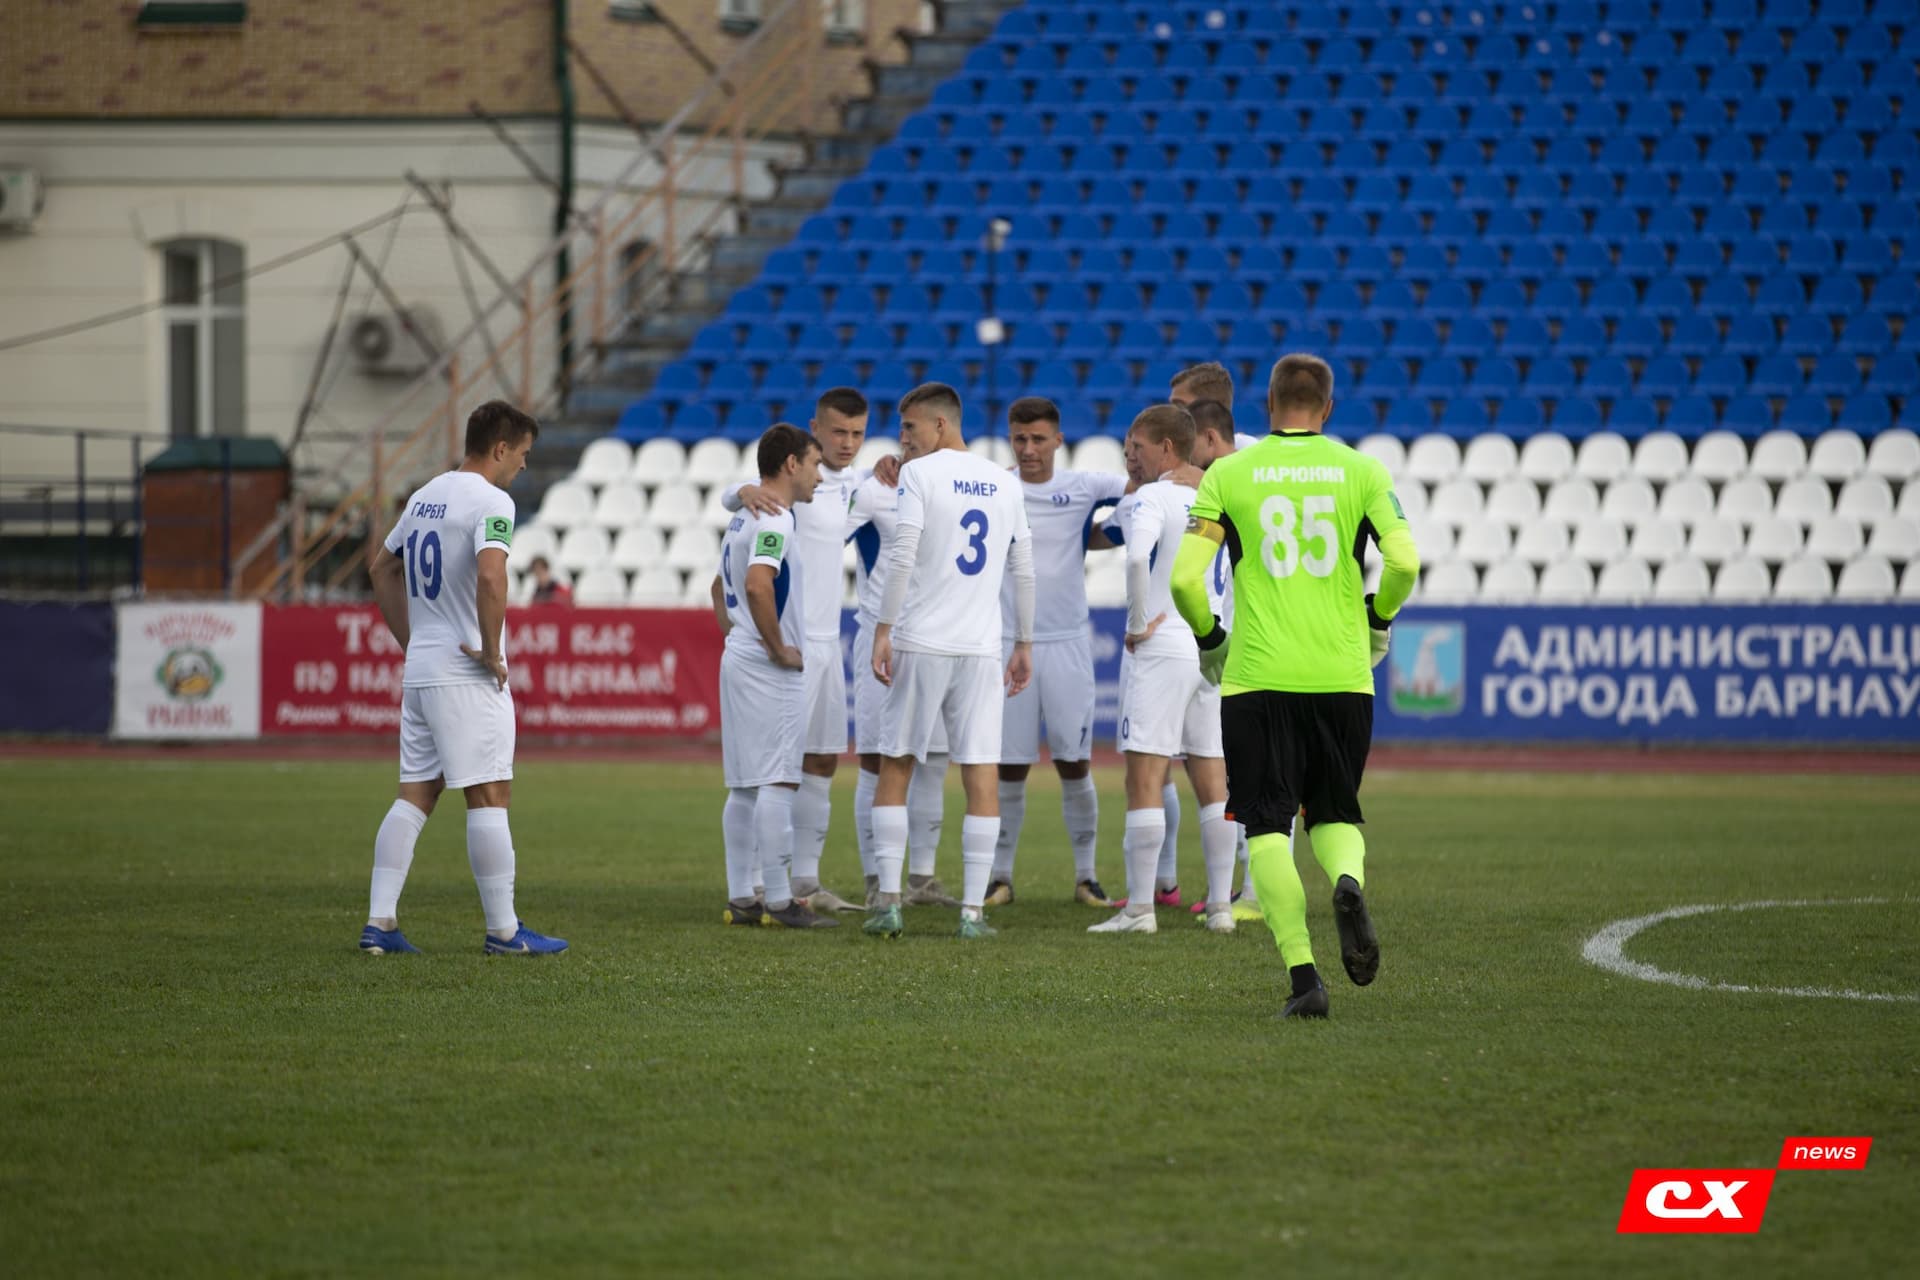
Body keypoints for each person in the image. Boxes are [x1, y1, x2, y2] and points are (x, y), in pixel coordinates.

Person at [1170, 354, 1420, 1018]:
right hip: (1342, 675)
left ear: (1267, 405)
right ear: (1328, 408)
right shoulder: (1362, 470)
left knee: (1266, 827)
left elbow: (1185, 581)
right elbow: (1404, 561)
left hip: (1258, 678)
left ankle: (1305, 980)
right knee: (1335, 812)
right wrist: (1378, 620)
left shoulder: (1229, 473)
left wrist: (1210, 638)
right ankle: (1345, 881)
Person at [359, 399, 567, 956]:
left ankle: (379, 924)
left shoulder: (425, 494)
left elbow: (381, 567)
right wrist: (492, 651)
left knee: (414, 796)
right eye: (521, 455)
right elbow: (492, 578)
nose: (523, 466)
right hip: (465, 668)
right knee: (490, 793)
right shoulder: (492, 502)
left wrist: (413, 640)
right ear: (500, 448)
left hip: (423, 668)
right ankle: (504, 931)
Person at [865, 382, 1035, 940]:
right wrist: (1024, 643)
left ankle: (888, 904)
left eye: (909, 427)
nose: (902, 438)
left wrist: (883, 628)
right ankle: (971, 914)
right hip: (981, 648)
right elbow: (1023, 569)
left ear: (940, 425)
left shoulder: (919, 475)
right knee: (980, 772)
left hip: (922, 640)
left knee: (898, 763)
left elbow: (903, 550)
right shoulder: (1003, 482)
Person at [722, 387, 875, 913]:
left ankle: (806, 881)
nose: (848, 443)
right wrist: (739, 489)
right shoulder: (780, 497)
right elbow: (745, 499)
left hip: (828, 643)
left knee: (822, 759)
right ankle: (771, 885)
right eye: (837, 432)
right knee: (775, 770)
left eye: (857, 433)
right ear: (815, 430)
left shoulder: (857, 484)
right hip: (788, 643)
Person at [1090, 405, 1239, 936]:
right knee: (1212, 780)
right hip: (1212, 648)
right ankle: (1221, 907)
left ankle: (1140, 911)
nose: (1131, 456)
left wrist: (1136, 623)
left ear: (1168, 448)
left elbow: (1135, 560)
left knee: (1144, 777)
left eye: (1138, 445)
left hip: (1164, 643)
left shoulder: (1153, 496)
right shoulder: (1221, 494)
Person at [986, 396, 1127, 909]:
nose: (1028, 449)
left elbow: (1141, 488)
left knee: (1074, 761)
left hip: (1068, 643)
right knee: (1009, 766)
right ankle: (999, 877)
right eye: (1019, 439)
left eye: (1038, 439)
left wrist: (1100, 536)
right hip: (1007, 643)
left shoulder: (1084, 486)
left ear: (1058, 440)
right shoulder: (996, 485)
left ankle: (1087, 877)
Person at [711, 423, 837, 930]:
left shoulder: (744, 514)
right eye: (814, 464)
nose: (819, 477)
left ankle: (743, 896)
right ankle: (782, 900)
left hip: (737, 655)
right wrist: (777, 647)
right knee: (781, 780)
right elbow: (758, 585)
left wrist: (739, 636)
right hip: (764, 664)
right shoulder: (776, 520)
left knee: (744, 785)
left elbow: (718, 588)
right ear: (791, 464)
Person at [847, 430, 958, 910]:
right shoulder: (874, 488)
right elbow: (822, 523)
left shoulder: (954, 485)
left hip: (935, 639)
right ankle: (876, 881)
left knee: (933, 761)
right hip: (881, 637)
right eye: (903, 432)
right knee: (876, 760)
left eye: (914, 430)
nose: (905, 440)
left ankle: (922, 879)